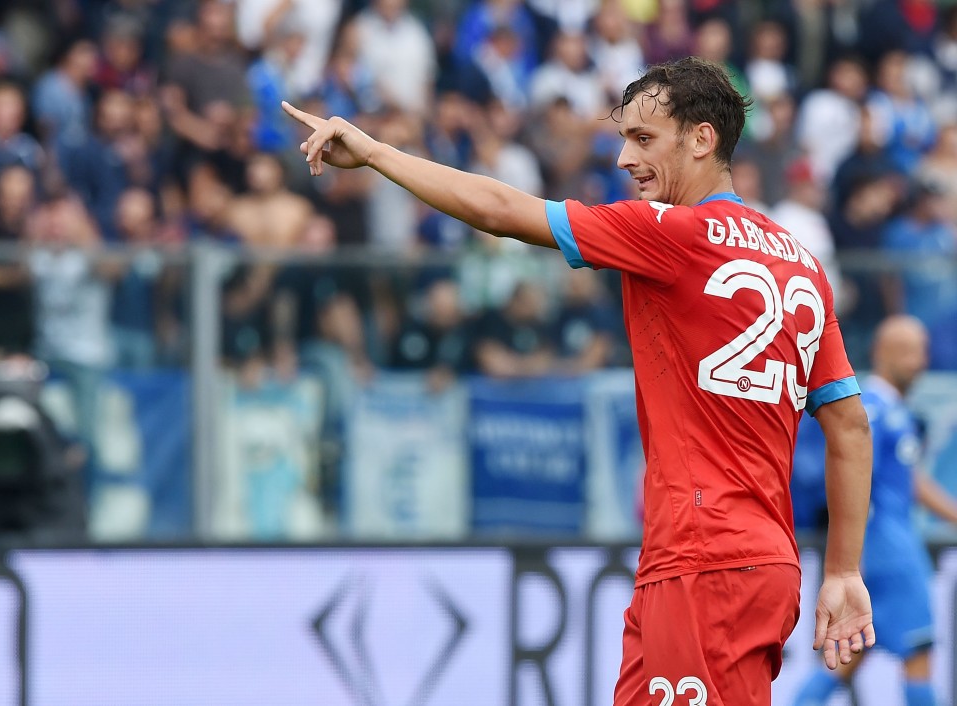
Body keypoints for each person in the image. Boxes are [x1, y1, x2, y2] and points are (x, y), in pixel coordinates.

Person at [283, 56, 876, 705]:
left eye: (643, 139)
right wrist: (843, 569)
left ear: (702, 139)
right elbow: (847, 422)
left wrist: (374, 152)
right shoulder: (801, 262)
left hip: (706, 558)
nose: (623, 158)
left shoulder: (671, 232)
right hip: (738, 556)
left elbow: (500, 208)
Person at [792, 316, 957, 706]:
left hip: (882, 549)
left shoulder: (890, 410)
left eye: (922, 352)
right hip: (890, 553)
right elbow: (855, 481)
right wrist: (855, 558)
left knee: (849, 654)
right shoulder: (874, 410)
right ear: (882, 353)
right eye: (908, 352)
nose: (918, 362)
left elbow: (907, 480)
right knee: (919, 654)